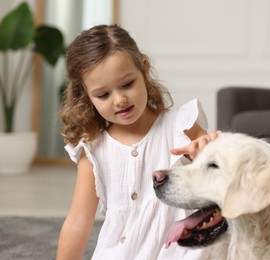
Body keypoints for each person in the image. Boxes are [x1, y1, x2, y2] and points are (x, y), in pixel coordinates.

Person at [56, 24, 219, 259]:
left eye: (127, 84)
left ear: (144, 68)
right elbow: (78, 222)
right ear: (87, 95)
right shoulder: (93, 151)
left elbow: (223, 175)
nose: (120, 99)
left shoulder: (181, 125)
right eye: (103, 95)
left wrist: (207, 152)